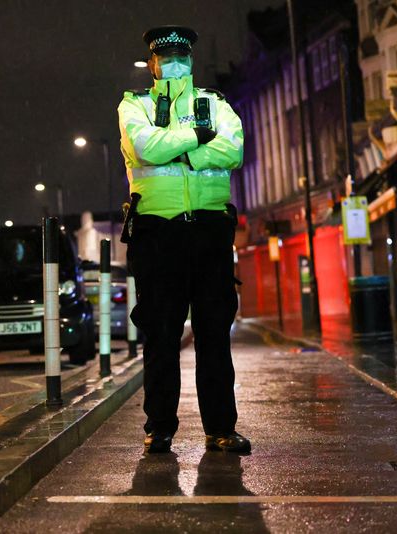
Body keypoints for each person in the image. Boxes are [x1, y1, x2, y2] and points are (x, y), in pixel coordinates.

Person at [117, 26, 248, 454]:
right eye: (165, 56)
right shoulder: (133, 105)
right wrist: (198, 137)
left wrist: (182, 149)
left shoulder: (215, 102)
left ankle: (221, 429)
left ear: (191, 60)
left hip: (210, 230)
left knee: (214, 332)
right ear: (152, 63)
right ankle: (159, 428)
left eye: (181, 55)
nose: (173, 62)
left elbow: (234, 150)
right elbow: (145, 148)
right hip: (157, 231)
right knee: (161, 333)